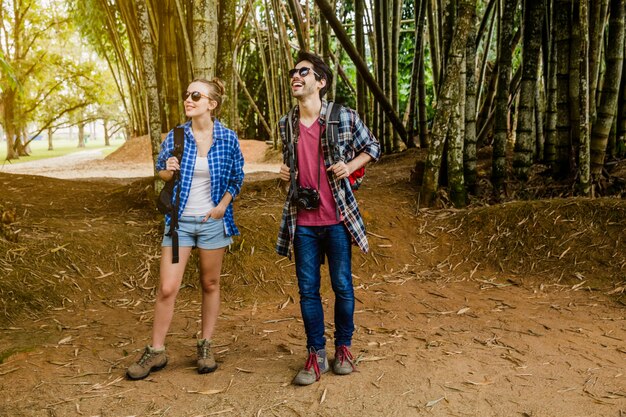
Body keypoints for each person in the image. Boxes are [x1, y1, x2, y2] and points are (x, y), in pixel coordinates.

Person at [127, 78, 244, 380]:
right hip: (179, 224)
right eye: (186, 94)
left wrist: (223, 205)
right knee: (167, 288)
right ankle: (156, 350)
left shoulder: (228, 138)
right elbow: (163, 173)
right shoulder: (177, 135)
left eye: (195, 95)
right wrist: (168, 168)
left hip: (212, 223)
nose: (188, 100)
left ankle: (205, 344)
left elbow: (236, 177)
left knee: (210, 284)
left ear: (211, 104)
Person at [276, 51, 381, 385]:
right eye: (293, 72)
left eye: (303, 71)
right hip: (302, 221)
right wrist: (285, 174)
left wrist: (349, 167)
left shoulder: (343, 116)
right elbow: (291, 165)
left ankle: (344, 348)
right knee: (308, 291)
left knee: (342, 286)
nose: (295, 76)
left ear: (320, 81)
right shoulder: (286, 123)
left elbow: (373, 147)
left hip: (337, 218)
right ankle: (315, 353)